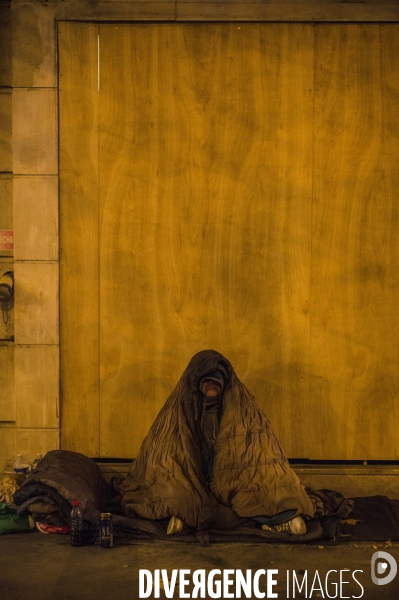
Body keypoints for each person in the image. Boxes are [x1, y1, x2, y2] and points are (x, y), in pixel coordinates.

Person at [120, 350, 349, 537]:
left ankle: (281, 517)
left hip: (231, 472)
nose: (211, 388)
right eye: (206, 382)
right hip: (193, 472)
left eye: (216, 383)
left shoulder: (241, 407)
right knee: (176, 493)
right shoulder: (180, 408)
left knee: (263, 488)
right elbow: (166, 452)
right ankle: (187, 514)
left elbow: (257, 449)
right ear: (196, 382)